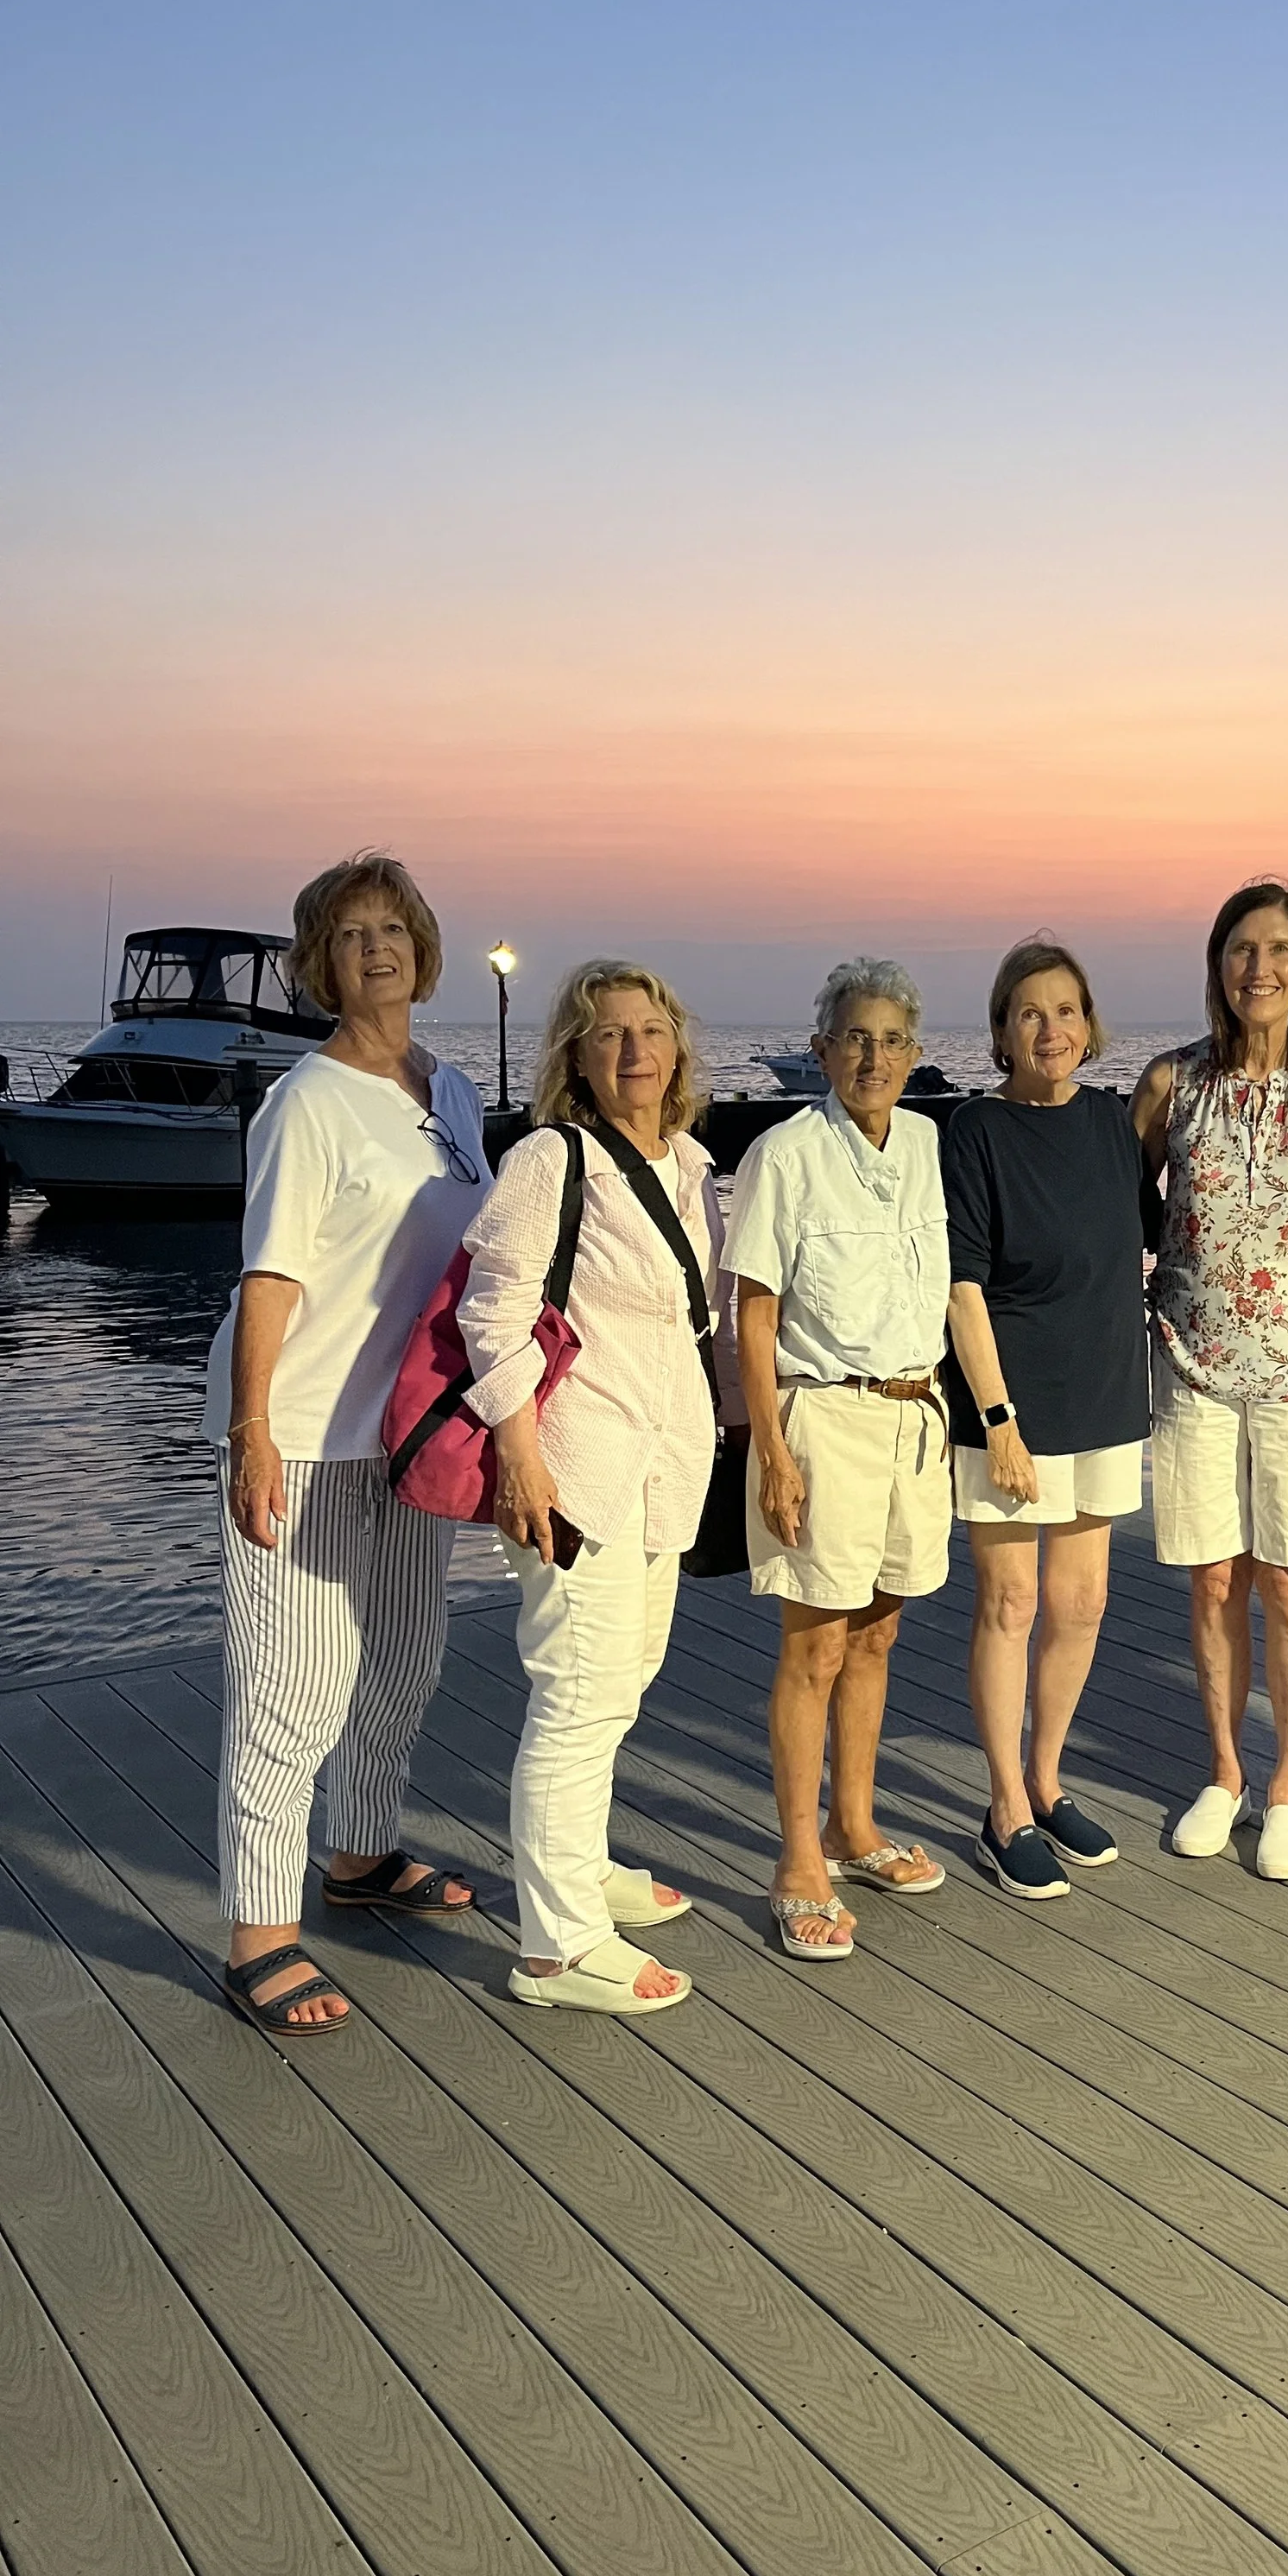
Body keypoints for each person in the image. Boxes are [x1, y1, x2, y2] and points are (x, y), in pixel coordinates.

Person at [207, 854, 486, 2037]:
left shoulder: (455, 1089)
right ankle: (258, 1933)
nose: (374, 949)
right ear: (318, 964)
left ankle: (361, 1854)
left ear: (425, 950)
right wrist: (250, 1432)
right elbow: (268, 1273)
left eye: (392, 929)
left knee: (410, 1656)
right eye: (349, 934)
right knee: (294, 1686)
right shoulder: (306, 1102)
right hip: (310, 1433)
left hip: (407, 1434)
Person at [461, 959, 743, 2012]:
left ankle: (580, 1873)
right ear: (575, 1057)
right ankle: (556, 1946)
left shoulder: (688, 1165)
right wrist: (519, 1457)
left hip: (662, 1467)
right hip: (575, 1466)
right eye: (608, 1033)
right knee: (578, 1693)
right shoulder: (551, 1157)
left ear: (676, 1048)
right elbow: (492, 1314)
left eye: (650, 1030)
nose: (634, 1049)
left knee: (623, 1680)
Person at [1130, 881, 1288, 1881]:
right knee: (1212, 1579)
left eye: (1279, 948)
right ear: (1217, 966)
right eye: (1240, 950)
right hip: (1192, 1365)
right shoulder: (1170, 1083)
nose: (1259, 968)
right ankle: (1226, 1774)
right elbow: (1122, 1207)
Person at [727, 957, 952, 1961]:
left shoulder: (929, 1145)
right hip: (820, 1416)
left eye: (890, 1039)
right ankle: (798, 1863)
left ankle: (854, 1829)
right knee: (812, 1646)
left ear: (914, 1054)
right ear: (822, 1050)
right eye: (853, 1038)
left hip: (915, 1415)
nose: (873, 1056)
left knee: (878, 1633)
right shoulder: (783, 1153)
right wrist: (769, 1448)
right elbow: (755, 1309)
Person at [944, 939, 1156, 1898]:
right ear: (1000, 1031)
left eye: (1065, 1010)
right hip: (1011, 1407)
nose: (1050, 1029)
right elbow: (962, 1288)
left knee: (1080, 1605)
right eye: (1029, 1013)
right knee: (1010, 1603)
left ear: (1088, 1025)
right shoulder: (974, 1132)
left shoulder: (1112, 1123)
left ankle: (1048, 1778)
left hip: (1106, 1395)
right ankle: (1002, 1809)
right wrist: (997, 1418)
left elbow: (1148, 1244)